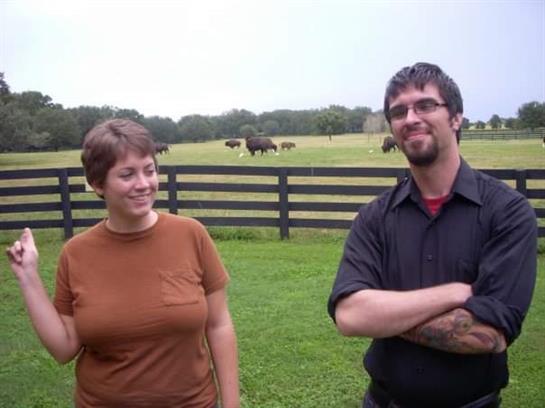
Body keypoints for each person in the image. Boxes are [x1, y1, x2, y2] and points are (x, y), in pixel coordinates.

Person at [328, 62, 537, 408]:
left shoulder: (508, 212)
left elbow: (490, 335)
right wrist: (453, 294)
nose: (410, 118)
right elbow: (349, 316)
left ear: (456, 117)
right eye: (398, 111)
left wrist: (382, 315)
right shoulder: (375, 217)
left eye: (425, 105)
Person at [6, 119, 240, 408]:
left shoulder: (191, 234)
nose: (143, 184)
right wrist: (28, 276)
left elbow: (218, 326)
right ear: (97, 184)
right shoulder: (76, 253)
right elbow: (64, 348)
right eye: (127, 174)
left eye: (149, 170)